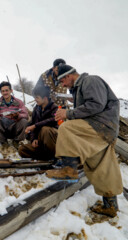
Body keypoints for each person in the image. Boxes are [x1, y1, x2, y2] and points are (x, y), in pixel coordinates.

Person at [47, 64, 122, 217]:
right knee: (101, 165)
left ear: (68, 76)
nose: (63, 85)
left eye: (62, 81)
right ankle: (110, 205)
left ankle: (69, 169)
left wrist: (68, 113)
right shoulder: (79, 89)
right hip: (104, 130)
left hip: (100, 124)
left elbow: (96, 105)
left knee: (67, 128)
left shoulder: (90, 81)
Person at [18, 86, 58, 160]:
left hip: (52, 142)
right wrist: (34, 139)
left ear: (45, 98)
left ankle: (54, 157)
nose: (35, 100)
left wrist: (35, 126)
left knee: (45, 130)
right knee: (22, 150)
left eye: (37, 98)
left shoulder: (55, 108)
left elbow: (52, 120)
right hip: (41, 143)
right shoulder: (37, 108)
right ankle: (46, 158)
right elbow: (32, 123)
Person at [0, 81, 28, 147]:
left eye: (7, 90)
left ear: (11, 90)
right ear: (1, 92)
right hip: (2, 127)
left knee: (24, 122)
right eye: (3, 91)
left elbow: (26, 114)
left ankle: (17, 142)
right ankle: (2, 141)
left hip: (15, 126)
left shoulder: (19, 102)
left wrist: (18, 115)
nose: (5, 93)